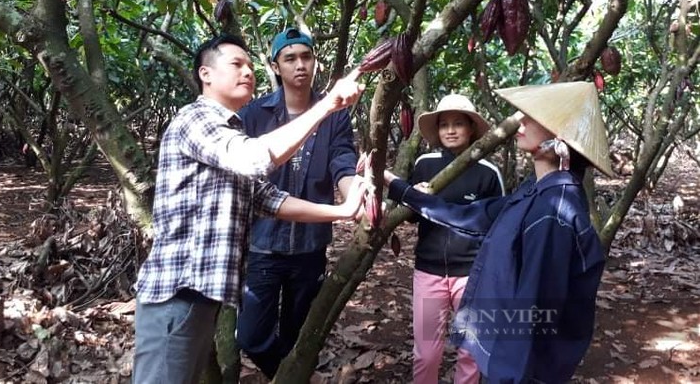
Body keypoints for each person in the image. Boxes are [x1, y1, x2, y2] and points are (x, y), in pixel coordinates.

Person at [132, 34, 366, 384]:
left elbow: (267, 198)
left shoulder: (231, 128)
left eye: (249, 65)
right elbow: (256, 158)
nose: (247, 72)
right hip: (177, 293)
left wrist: (343, 211)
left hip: (200, 296)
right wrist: (329, 104)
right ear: (205, 74)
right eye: (236, 64)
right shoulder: (196, 119)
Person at [385, 81, 610, 383]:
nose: (521, 121)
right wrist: (396, 185)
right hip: (444, 285)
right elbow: (468, 216)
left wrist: (507, 374)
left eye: (533, 117)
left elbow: (535, 313)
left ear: (559, 139)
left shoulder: (555, 214)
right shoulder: (534, 191)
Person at [235, 26, 358, 379]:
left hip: (310, 247)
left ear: (315, 63)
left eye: (306, 57)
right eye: (290, 58)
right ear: (275, 67)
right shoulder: (255, 114)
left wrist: (354, 196)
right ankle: (288, 377)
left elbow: (342, 163)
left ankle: (291, 372)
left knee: (296, 334)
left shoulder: (334, 113)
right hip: (264, 245)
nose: (299, 65)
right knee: (251, 336)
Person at [408, 94, 505, 384]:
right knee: (426, 353)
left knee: (470, 353)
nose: (450, 130)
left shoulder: (488, 173)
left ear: (471, 129)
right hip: (429, 270)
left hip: (472, 276)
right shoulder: (425, 165)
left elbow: (497, 225)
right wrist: (417, 197)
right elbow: (411, 216)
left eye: (458, 124)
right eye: (444, 125)